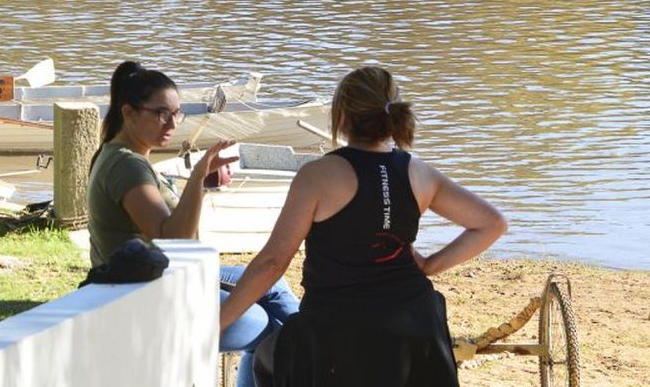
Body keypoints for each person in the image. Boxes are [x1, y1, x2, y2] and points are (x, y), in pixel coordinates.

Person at [226, 66, 507, 387]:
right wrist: (430, 265)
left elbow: (274, 262)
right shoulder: (419, 173)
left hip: (335, 336)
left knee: (266, 354)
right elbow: (491, 224)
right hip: (414, 330)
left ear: (341, 116)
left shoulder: (318, 176)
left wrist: (220, 321)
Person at [87, 61, 299, 386]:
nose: (172, 123)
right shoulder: (128, 167)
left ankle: (310, 342)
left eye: (177, 113)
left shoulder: (126, 156)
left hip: (169, 276)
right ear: (128, 113)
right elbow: (174, 240)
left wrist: (199, 183)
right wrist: (198, 177)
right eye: (161, 113)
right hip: (148, 294)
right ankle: (310, 350)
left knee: (273, 286)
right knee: (271, 330)